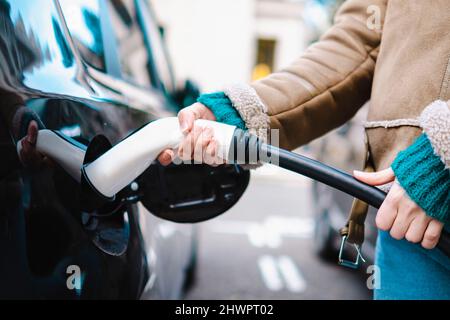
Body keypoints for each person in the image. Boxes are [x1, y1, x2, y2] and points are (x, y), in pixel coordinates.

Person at [157, 0, 450, 299]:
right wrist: (241, 113)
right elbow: (359, 44)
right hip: (413, 221)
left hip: (425, 199)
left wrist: (441, 157)